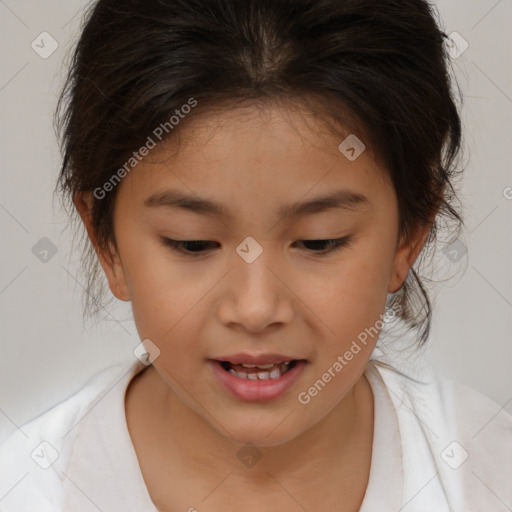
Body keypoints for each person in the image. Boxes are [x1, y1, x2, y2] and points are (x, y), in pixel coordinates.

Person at [1, 0, 510, 510]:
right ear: (105, 242)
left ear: (409, 234)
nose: (256, 308)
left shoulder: (488, 474)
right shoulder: (24, 489)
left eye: (318, 242)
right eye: (192, 243)